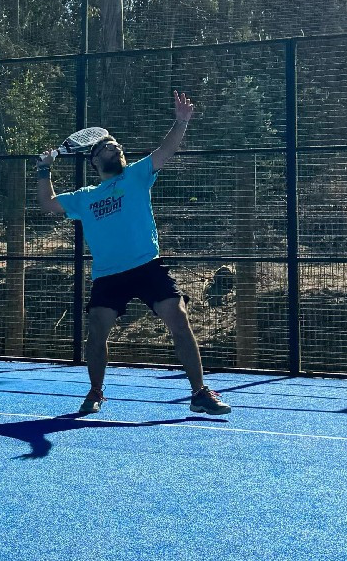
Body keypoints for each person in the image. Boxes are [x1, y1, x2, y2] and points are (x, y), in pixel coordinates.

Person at [37, 91, 231, 417]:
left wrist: (181, 122)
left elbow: (166, 149)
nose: (117, 148)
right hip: (108, 276)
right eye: (108, 147)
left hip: (147, 267)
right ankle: (95, 392)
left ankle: (199, 393)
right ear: (95, 161)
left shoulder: (137, 175)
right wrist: (44, 170)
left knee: (179, 318)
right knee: (96, 331)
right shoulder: (85, 196)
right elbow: (48, 203)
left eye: (118, 146)